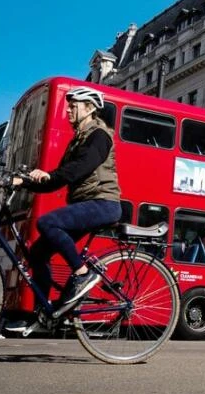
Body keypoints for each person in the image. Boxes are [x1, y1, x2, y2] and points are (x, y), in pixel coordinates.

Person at [8, 86, 122, 329]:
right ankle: (44, 314)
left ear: (89, 108)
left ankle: (82, 274)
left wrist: (49, 176)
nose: (68, 109)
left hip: (103, 203)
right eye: (69, 105)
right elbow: (57, 179)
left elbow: (80, 168)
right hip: (86, 203)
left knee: (47, 222)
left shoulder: (99, 135)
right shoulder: (77, 140)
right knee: (38, 254)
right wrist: (26, 182)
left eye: (74, 105)